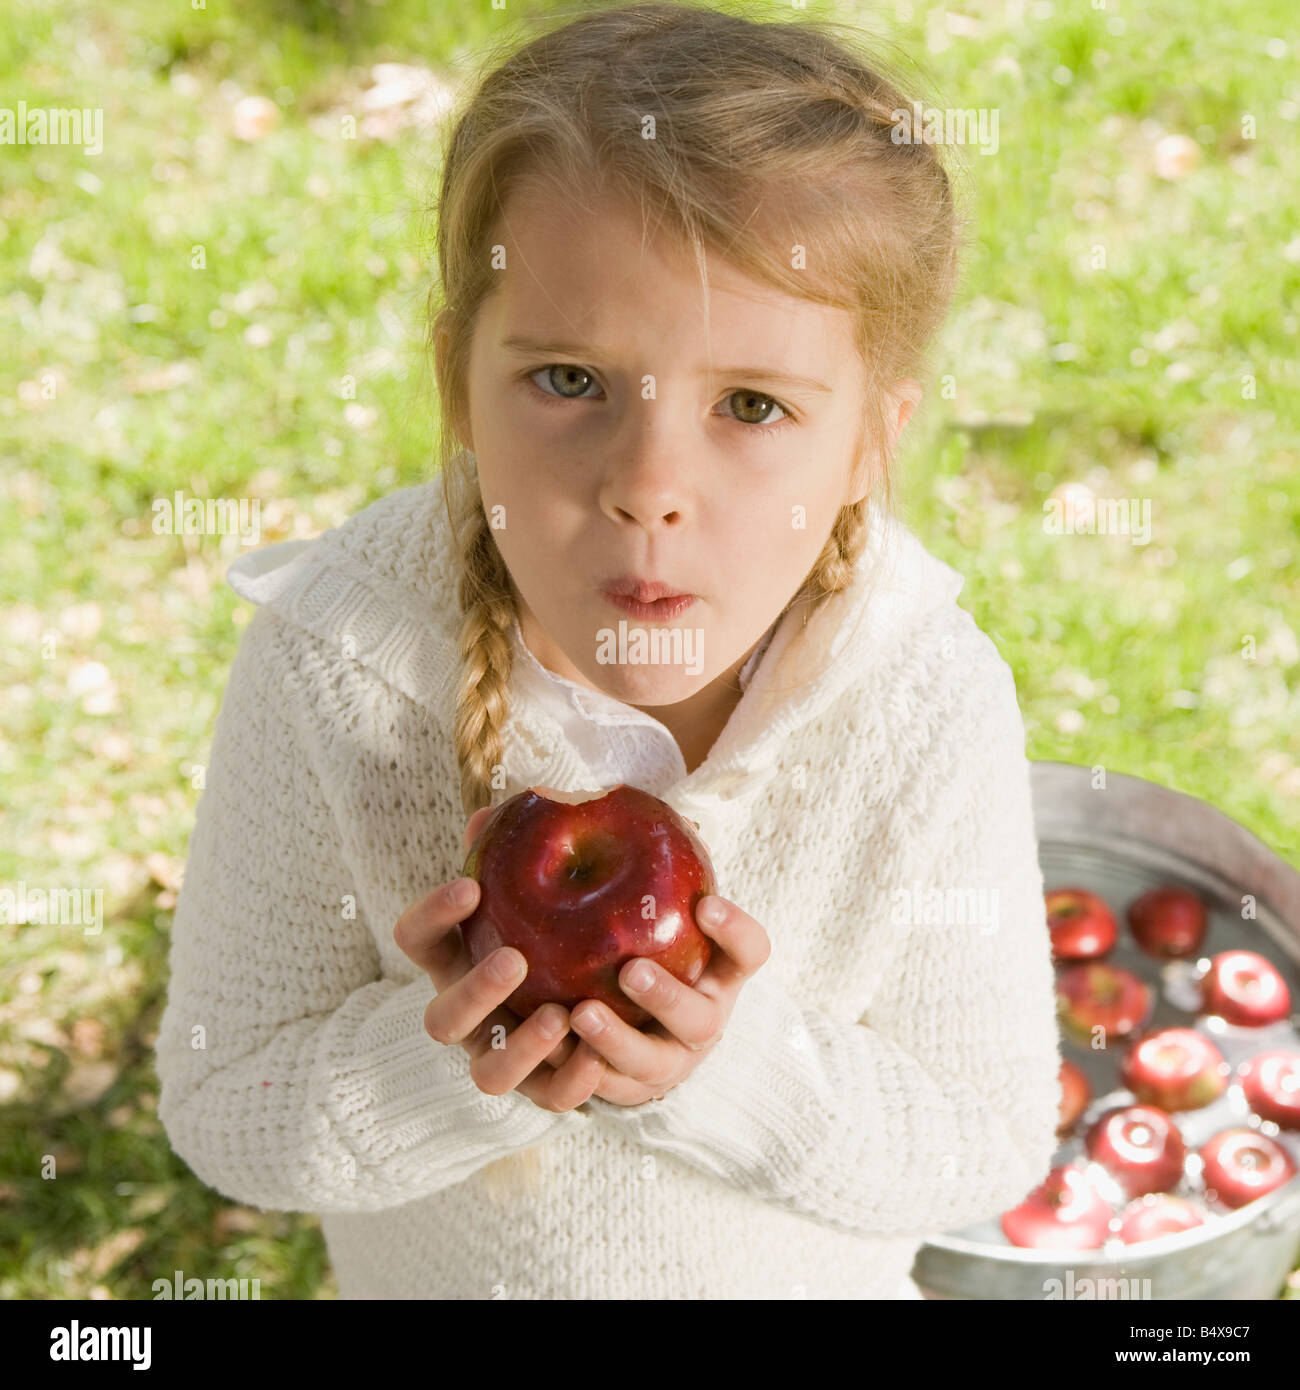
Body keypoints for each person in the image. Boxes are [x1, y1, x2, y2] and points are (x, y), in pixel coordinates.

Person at [155, 1, 1061, 1299]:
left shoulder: (922, 696)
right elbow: (227, 1102)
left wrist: (731, 1064)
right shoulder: (337, 660)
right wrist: (451, 1058)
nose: (648, 485)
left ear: (870, 439)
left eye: (752, 404)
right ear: (458, 380)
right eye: (571, 380)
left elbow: (984, 1138)